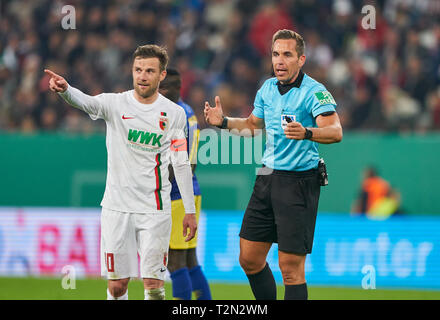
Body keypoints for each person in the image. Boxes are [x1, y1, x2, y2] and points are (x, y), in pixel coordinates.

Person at [45, 44, 198, 300]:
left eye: (149, 70)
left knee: (154, 284)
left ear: (161, 75)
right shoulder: (115, 104)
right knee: (118, 286)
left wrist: (190, 211)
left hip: (155, 209)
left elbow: (181, 163)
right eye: (138, 69)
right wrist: (66, 90)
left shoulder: (175, 114)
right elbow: (87, 103)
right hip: (117, 208)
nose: (142, 75)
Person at [204, 29, 343, 300]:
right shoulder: (267, 88)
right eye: (276, 54)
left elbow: (336, 131)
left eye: (287, 54)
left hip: (299, 182)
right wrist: (223, 122)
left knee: (290, 269)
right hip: (267, 178)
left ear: (301, 59)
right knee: (249, 258)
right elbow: (252, 126)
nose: (280, 60)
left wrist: (308, 132)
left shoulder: (315, 92)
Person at [159, 68, 212, 300]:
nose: (158, 91)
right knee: (190, 260)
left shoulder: (176, 114)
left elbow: (184, 164)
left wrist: (158, 184)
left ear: (175, 89)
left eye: (163, 87)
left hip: (178, 193)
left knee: (175, 261)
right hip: (190, 190)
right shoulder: (188, 111)